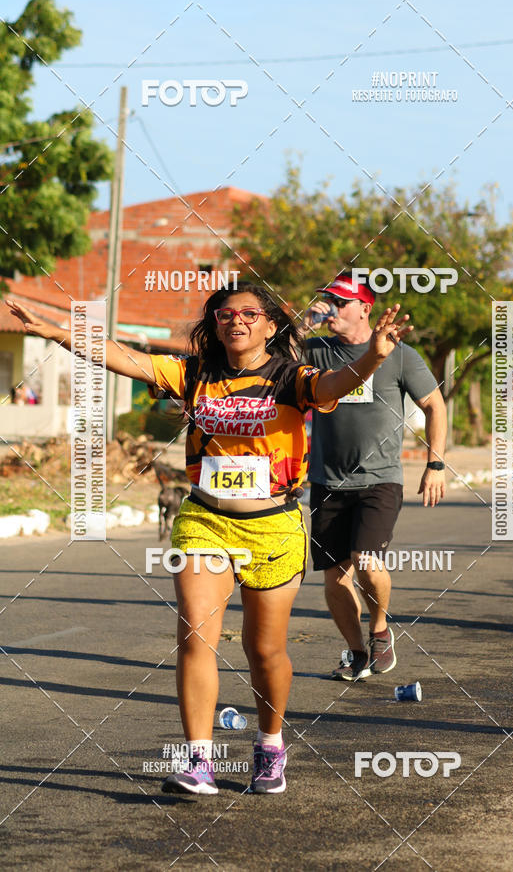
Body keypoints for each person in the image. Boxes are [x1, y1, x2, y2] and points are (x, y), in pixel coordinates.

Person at [6, 285, 411, 795]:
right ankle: (198, 761)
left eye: (248, 313)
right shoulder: (194, 372)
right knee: (196, 634)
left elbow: (333, 386)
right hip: (204, 519)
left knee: (263, 651)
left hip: (273, 526)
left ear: (270, 325)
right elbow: (125, 358)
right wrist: (57, 333)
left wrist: (373, 356)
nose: (235, 320)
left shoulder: (292, 377)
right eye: (224, 313)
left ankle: (269, 745)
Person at [300, 272, 447, 681]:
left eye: (339, 302)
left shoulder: (399, 355)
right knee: (333, 577)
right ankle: (356, 651)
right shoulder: (314, 351)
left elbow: (435, 405)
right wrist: (304, 323)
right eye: (326, 301)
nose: (330, 308)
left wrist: (435, 465)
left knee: (366, 560)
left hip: (380, 480)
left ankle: (380, 628)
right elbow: (269, 354)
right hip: (327, 482)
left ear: (365, 308)